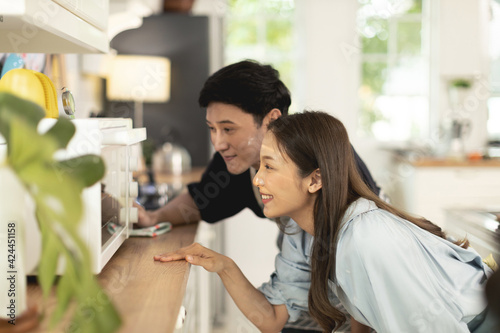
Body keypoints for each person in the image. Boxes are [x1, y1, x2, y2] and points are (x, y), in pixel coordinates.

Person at [154, 111, 496, 333]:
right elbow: (363, 321)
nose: (257, 181)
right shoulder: (324, 234)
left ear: (315, 180)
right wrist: (223, 265)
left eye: (269, 167)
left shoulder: (365, 239)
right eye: (260, 167)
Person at [138, 60, 380, 332]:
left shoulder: (327, 163)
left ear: (272, 120)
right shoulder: (236, 158)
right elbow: (201, 200)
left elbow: (365, 277)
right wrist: (153, 217)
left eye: (228, 129)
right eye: (212, 128)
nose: (218, 143)